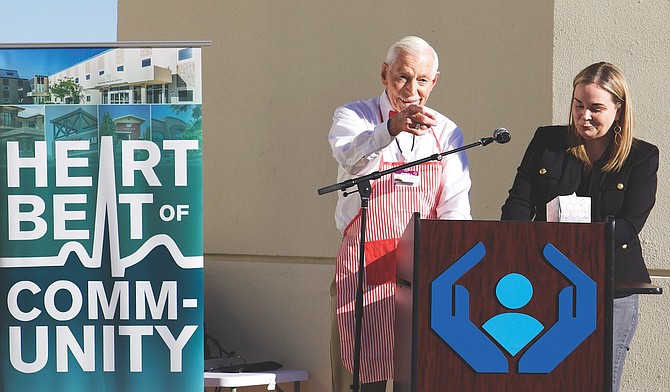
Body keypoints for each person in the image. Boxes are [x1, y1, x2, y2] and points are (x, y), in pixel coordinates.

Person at [501, 61, 658, 391]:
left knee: (599, 380)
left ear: (619, 109)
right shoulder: (547, 142)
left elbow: (629, 225)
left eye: (596, 108)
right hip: (546, 280)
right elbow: (518, 204)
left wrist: (574, 238)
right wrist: (516, 248)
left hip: (612, 286)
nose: (584, 116)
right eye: (578, 105)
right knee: (546, 376)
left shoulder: (642, 156)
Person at [328, 36, 472, 392]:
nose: (412, 89)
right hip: (363, 267)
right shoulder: (353, 116)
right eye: (402, 78)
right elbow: (349, 157)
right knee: (361, 376)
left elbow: (455, 207)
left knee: (420, 374)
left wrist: (449, 267)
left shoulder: (447, 132)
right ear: (383, 74)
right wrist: (390, 129)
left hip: (423, 269)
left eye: (422, 80)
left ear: (434, 81)